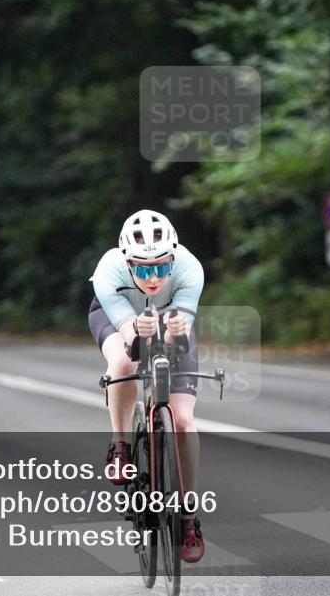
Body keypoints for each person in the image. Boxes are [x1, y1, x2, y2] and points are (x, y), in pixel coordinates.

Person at [88, 209, 206, 563]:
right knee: (124, 364)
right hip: (118, 318)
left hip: (171, 319)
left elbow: (177, 338)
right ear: (128, 263)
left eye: (161, 267)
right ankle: (120, 445)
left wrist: (171, 332)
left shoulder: (190, 268)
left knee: (182, 421)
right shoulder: (108, 271)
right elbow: (134, 344)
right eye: (142, 269)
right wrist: (138, 332)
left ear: (174, 258)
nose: (153, 278)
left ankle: (188, 516)